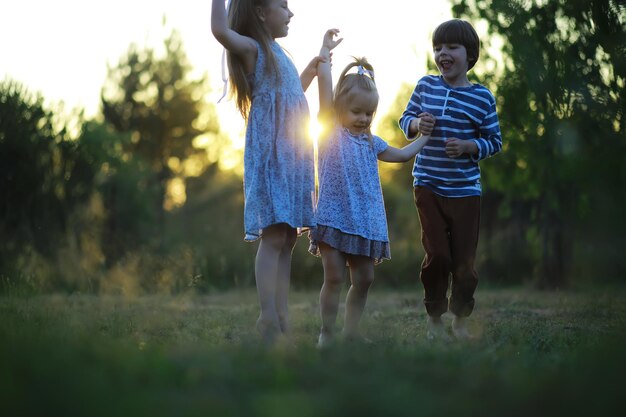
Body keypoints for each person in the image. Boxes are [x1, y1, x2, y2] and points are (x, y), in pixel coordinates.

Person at [211, 0, 341, 345]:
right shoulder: (253, 48)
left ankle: (281, 316)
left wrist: (314, 66)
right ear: (260, 12)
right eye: (283, 6)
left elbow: (290, 94)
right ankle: (267, 316)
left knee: (287, 239)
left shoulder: (280, 53)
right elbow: (220, 31)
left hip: (294, 158)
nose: (291, 13)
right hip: (272, 157)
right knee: (272, 237)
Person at [310, 33, 435, 348]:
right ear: (340, 108)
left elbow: (403, 154)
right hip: (333, 218)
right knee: (335, 277)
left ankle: (352, 333)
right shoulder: (330, 133)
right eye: (356, 112)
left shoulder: (371, 142)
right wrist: (325, 52)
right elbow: (324, 87)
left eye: (369, 113)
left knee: (364, 279)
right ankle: (326, 333)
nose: (364, 119)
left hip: (365, 222)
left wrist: (424, 137)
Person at [399, 19, 503, 340]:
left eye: (451, 47)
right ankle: (434, 320)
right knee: (438, 255)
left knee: (463, 261)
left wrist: (470, 146)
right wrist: (417, 123)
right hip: (427, 184)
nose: (443, 53)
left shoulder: (482, 98)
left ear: (469, 54)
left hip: (465, 192)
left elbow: (494, 141)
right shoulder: (425, 86)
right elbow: (405, 120)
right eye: (438, 47)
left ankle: (459, 320)